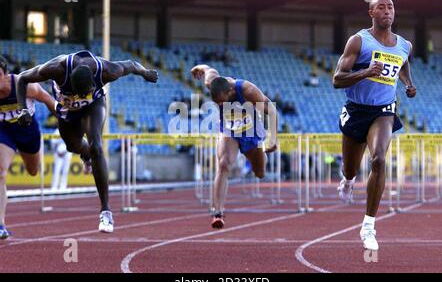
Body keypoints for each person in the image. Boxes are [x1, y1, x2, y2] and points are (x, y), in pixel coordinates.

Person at [16, 50, 158, 233]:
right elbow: (22, 79)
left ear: (93, 81)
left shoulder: (107, 70)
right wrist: (22, 110)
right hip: (67, 108)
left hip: (94, 105)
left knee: (96, 146)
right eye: (79, 93)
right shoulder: (56, 68)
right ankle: (85, 155)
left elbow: (131, 64)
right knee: (72, 146)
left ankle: (106, 211)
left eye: (86, 92)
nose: (82, 96)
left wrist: (145, 73)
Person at [333, 0, 416, 250]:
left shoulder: (405, 45)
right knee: (351, 168)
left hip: (384, 110)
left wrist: (408, 83)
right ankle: (347, 180)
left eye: (390, 7)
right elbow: (337, 79)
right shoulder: (359, 41)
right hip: (356, 110)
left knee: (379, 159)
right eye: (381, 7)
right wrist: (366, 72)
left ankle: (368, 226)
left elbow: (402, 65)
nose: (387, 11)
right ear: (371, 13)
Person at [191, 64, 278, 229]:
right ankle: (218, 213)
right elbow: (208, 69)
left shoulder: (248, 90)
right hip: (229, 129)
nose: (221, 104)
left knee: (260, 172)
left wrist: (273, 139)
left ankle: (261, 157)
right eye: (218, 103)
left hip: (251, 130)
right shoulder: (212, 82)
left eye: (223, 101)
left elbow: (272, 111)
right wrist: (198, 68)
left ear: (230, 92)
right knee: (223, 165)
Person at [0, 55, 55, 239]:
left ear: (5, 75)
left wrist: (66, 120)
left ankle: (34, 152)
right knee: (0, 172)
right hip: (3, 131)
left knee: (33, 171)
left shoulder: (24, 85)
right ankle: (1, 225)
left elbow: (48, 99)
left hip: (26, 128)